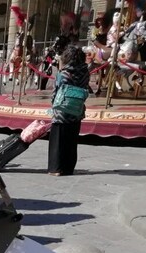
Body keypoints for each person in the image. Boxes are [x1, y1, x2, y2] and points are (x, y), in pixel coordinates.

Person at [47, 44, 89, 176]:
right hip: (76, 110)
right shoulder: (85, 73)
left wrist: (53, 104)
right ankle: (68, 167)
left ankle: (56, 168)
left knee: (58, 141)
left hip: (62, 111)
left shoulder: (64, 73)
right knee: (71, 140)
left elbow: (57, 91)